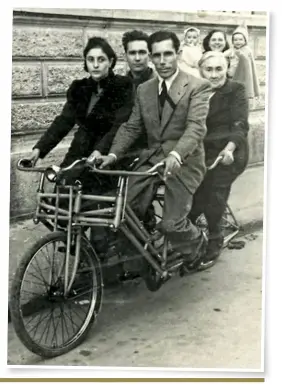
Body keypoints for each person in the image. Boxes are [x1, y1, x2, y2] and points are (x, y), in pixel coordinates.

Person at [95, 30, 213, 265]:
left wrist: (177, 154)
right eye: (156, 55)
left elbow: (195, 128)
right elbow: (132, 127)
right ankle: (145, 253)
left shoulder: (197, 86)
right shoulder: (145, 89)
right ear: (151, 56)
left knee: (171, 224)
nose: (162, 61)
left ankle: (198, 243)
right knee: (121, 209)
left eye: (168, 54)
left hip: (184, 162)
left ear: (177, 54)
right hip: (152, 160)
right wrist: (112, 154)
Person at [26, 36, 133, 194]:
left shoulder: (122, 86)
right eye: (90, 59)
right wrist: (39, 150)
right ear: (85, 63)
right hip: (78, 151)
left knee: (94, 207)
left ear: (110, 62)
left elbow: (120, 124)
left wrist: (100, 151)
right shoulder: (79, 88)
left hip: (106, 152)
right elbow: (63, 121)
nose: (95, 65)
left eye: (101, 59)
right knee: (61, 200)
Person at [189, 51, 249, 267]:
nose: (214, 75)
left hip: (229, 152)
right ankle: (190, 238)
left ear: (226, 70)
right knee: (192, 194)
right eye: (209, 69)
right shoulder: (196, 91)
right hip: (203, 152)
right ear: (200, 70)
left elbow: (240, 124)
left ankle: (215, 241)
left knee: (214, 194)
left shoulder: (235, 90)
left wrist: (230, 149)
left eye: (219, 69)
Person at [224, 23, 260, 104]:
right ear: (232, 41)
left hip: (242, 75)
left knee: (241, 91)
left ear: (245, 40)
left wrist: (239, 54)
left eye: (240, 39)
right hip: (232, 73)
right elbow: (224, 54)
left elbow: (247, 62)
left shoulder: (247, 50)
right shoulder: (232, 49)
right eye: (235, 40)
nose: (238, 42)